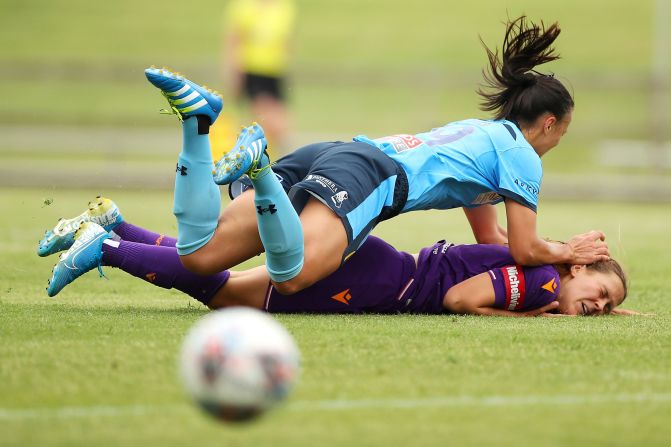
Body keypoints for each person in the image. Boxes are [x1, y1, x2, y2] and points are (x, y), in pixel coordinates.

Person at [136, 15, 609, 300]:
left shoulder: (483, 139)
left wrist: (558, 257)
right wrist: (569, 251)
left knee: (199, 255)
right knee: (293, 276)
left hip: (341, 154)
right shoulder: (521, 156)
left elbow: (493, 238)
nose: (555, 143)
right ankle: (260, 171)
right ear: (548, 123)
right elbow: (525, 250)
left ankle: (197, 124)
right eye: (560, 134)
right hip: (371, 178)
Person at [41, 198, 628, 318]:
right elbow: (459, 299)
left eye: (605, 308)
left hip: (379, 263)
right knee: (221, 293)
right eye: (600, 294)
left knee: (227, 274)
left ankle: (115, 224)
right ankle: (110, 247)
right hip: (377, 279)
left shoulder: (540, 266)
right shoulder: (546, 285)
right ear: (578, 269)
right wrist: (529, 317)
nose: (597, 307)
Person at [223, 0, 296, 151]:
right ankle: (266, 153)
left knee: (276, 118)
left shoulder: (284, 7)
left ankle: (272, 154)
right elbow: (234, 39)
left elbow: (286, 39)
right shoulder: (244, 6)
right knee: (266, 117)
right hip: (253, 69)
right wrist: (234, 71)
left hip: (276, 70)